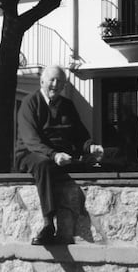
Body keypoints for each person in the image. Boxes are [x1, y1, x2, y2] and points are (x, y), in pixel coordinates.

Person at [15, 65, 103, 245]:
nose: (56, 85)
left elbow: (80, 135)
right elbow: (31, 140)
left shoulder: (67, 105)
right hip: (31, 153)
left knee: (101, 162)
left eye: (60, 82)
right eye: (52, 80)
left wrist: (90, 147)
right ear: (42, 81)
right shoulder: (30, 103)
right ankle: (48, 224)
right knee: (43, 165)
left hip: (61, 155)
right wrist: (54, 155)